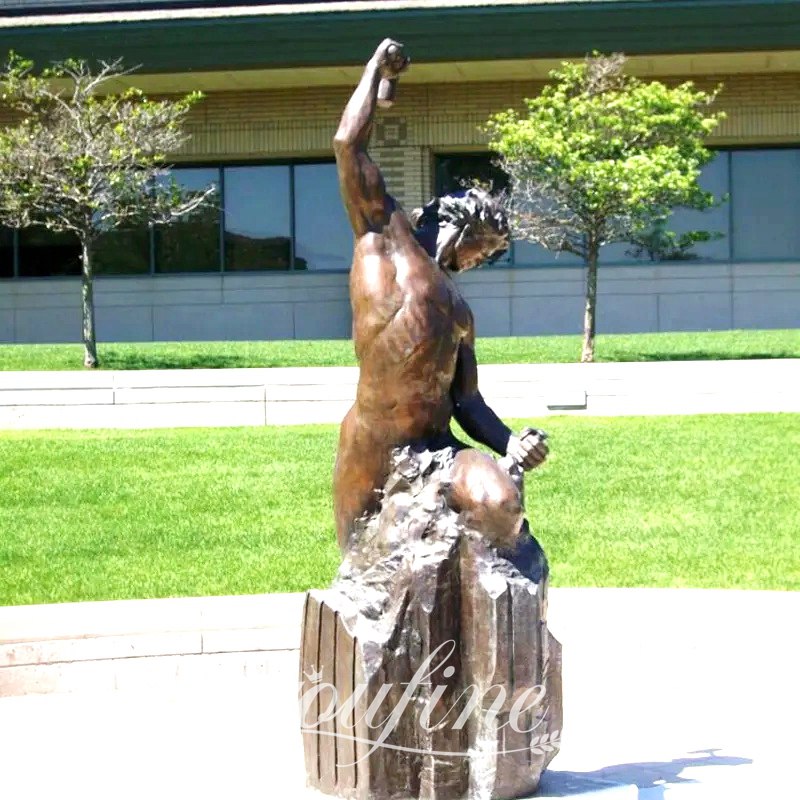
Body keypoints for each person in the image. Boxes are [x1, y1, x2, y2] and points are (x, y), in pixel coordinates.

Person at [333, 38, 548, 553]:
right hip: (372, 443)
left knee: (502, 505)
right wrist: (376, 73)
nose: (479, 261)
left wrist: (509, 442)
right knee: (359, 559)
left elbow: (467, 400)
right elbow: (348, 144)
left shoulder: (459, 311)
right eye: (482, 248)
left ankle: (488, 609)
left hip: (437, 447)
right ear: (457, 224)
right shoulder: (382, 235)